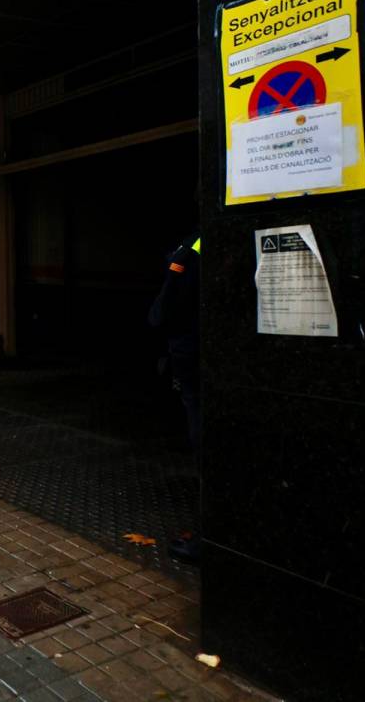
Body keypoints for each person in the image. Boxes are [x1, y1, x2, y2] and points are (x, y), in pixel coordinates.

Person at [149, 231, 201, 561]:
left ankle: (207, 539)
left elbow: (160, 312)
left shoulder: (191, 248)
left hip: (193, 357)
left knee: (202, 440)